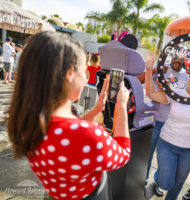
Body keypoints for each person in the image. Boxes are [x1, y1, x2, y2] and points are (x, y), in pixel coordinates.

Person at [7, 32, 131, 200]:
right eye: (85, 72)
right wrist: (121, 107)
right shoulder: (89, 134)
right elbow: (123, 154)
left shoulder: (25, 121)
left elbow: (70, 133)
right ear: (69, 73)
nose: (86, 79)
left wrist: (96, 109)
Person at [144, 52, 190, 200]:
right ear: (189, 75)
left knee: (177, 186)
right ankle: (158, 181)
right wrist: (149, 69)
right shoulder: (176, 93)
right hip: (167, 144)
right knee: (166, 182)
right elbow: (150, 93)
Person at [145, 55, 188, 185]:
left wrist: (169, 90)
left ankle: (158, 182)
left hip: (172, 125)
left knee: (165, 160)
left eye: (181, 60)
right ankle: (144, 178)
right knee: (148, 153)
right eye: (176, 58)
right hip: (156, 121)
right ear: (171, 57)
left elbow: (184, 101)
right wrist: (152, 70)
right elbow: (149, 90)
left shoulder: (186, 78)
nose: (178, 61)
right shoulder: (161, 71)